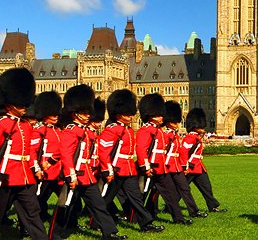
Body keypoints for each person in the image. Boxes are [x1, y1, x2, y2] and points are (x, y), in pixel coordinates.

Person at [48, 84, 124, 240]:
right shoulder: (70, 130)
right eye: (85, 112)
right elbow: (66, 154)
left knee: (98, 205)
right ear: (75, 114)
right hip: (74, 174)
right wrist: (70, 174)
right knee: (64, 206)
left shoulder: (83, 130)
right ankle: (54, 235)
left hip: (87, 175)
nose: (89, 115)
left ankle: (110, 232)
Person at [0, 68, 48, 240]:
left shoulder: (25, 125)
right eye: (20, 103)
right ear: (9, 103)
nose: (24, 107)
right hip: (5, 176)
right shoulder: (0, 124)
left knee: (32, 211)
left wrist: (35, 167)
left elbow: (29, 151)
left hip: (24, 176)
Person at [99, 89, 163, 234]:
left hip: (128, 169)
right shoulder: (112, 130)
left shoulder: (126, 130)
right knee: (106, 199)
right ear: (117, 114)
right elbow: (103, 152)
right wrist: (107, 170)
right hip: (115, 169)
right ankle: (96, 221)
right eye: (126, 114)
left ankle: (146, 223)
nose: (130, 116)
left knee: (136, 198)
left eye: (130, 113)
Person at [136, 93, 189, 225]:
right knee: (141, 194)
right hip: (150, 167)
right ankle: (134, 218)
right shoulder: (145, 130)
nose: (162, 118)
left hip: (161, 167)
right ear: (150, 115)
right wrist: (145, 166)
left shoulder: (159, 131)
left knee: (170, 194)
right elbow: (141, 150)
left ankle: (179, 218)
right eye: (159, 115)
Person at [162, 101, 206, 220]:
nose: (177, 124)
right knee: (158, 192)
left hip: (176, 166)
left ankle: (194, 211)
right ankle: (152, 210)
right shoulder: (165, 135)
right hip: (166, 166)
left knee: (185, 188)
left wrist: (184, 166)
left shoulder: (174, 135)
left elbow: (179, 152)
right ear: (168, 122)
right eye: (174, 121)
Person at [181, 108, 226, 213]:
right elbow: (183, 153)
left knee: (206, 188)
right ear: (195, 126)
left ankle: (213, 206)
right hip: (190, 168)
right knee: (182, 189)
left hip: (198, 168)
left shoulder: (196, 137)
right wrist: (184, 167)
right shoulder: (190, 138)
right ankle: (170, 206)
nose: (203, 128)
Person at [30, 91, 63, 222]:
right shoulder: (39, 130)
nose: (56, 117)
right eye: (52, 114)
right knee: (37, 199)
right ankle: (27, 225)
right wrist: (37, 168)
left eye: (57, 114)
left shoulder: (57, 130)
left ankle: (66, 223)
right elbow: (33, 150)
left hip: (58, 171)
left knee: (66, 199)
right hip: (46, 170)